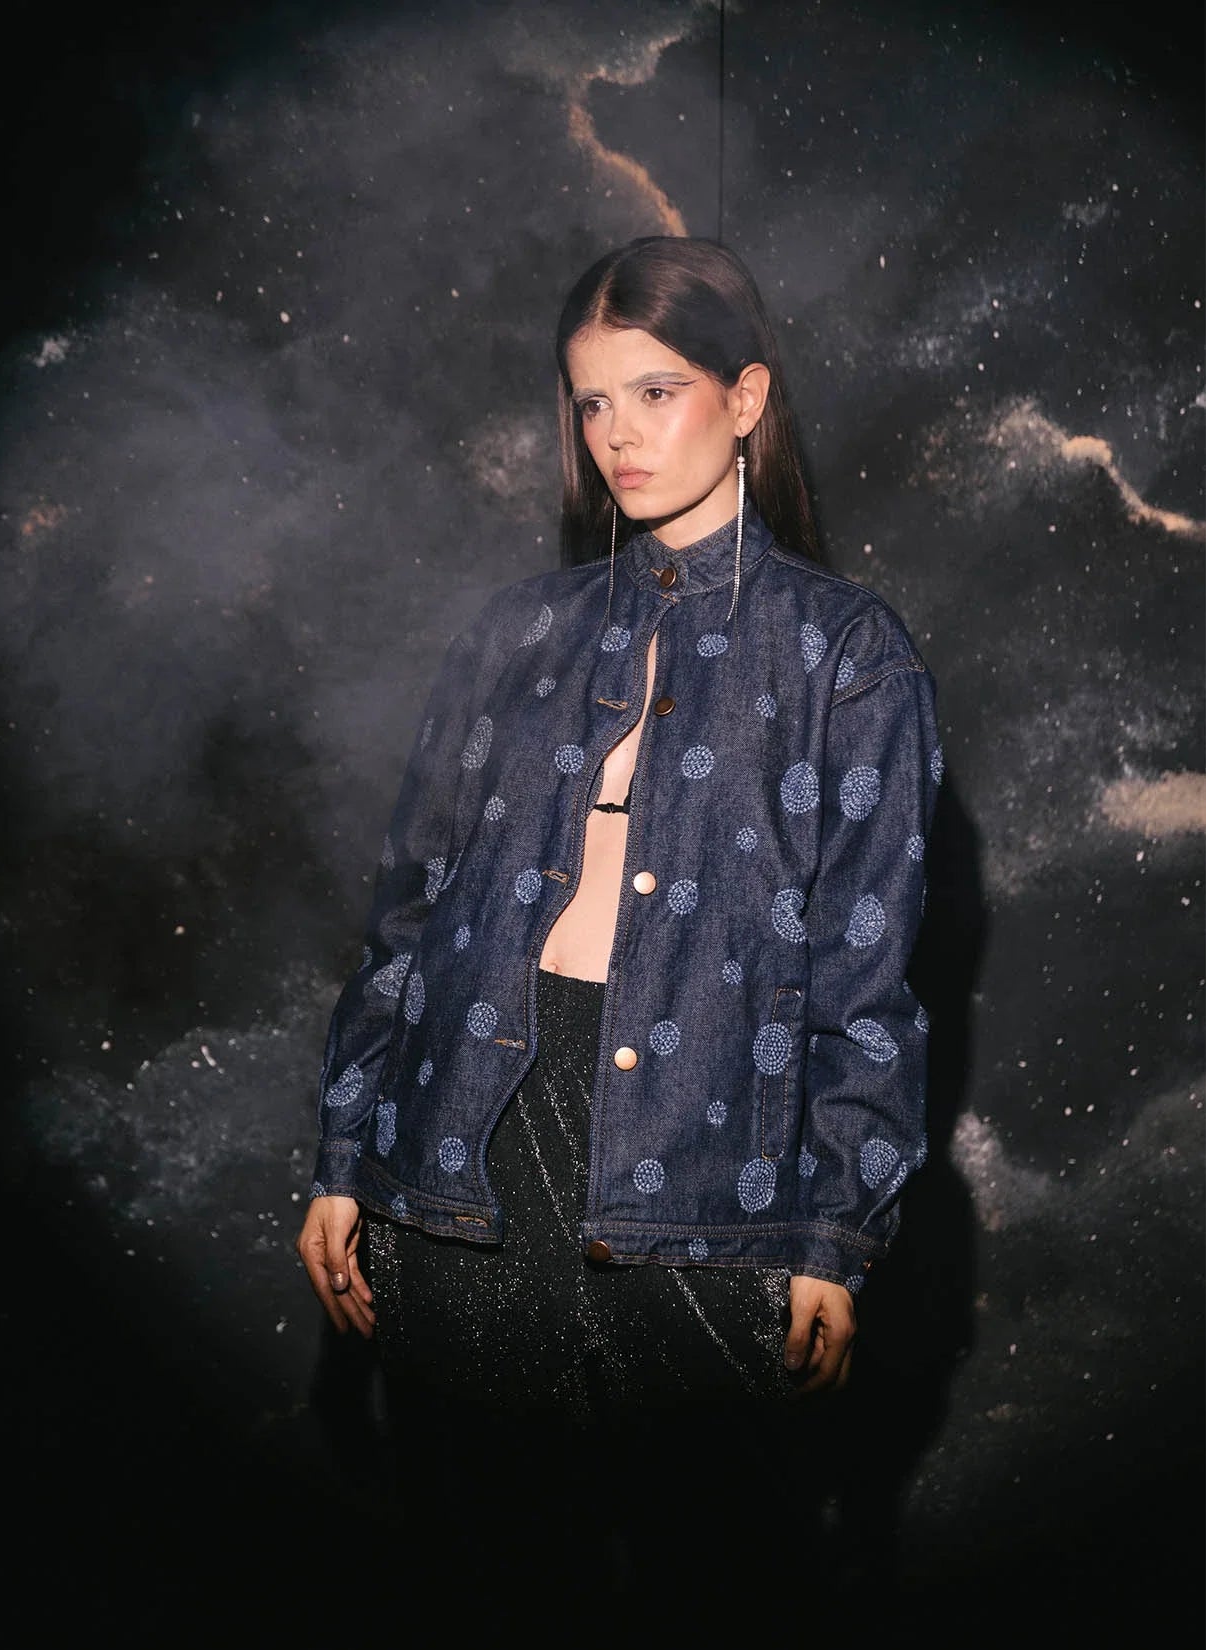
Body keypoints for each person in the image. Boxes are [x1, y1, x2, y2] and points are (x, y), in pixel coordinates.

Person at [295, 235, 941, 1623]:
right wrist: (348, 1151)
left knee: (714, 1584)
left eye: (656, 392)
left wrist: (834, 1227)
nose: (619, 436)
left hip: (704, 1181)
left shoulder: (849, 653)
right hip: (464, 1155)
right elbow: (406, 912)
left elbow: (865, 968)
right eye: (593, 402)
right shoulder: (514, 632)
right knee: (481, 1579)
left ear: (745, 398)